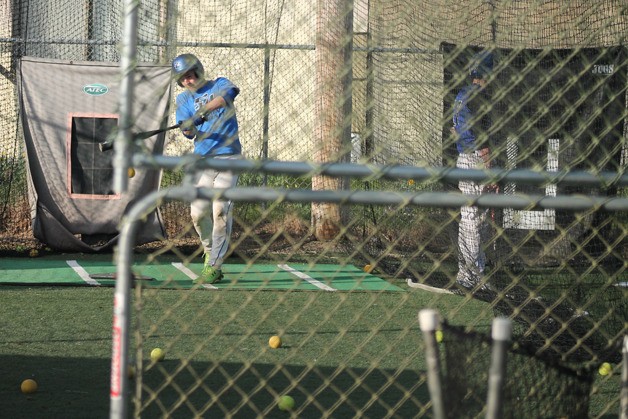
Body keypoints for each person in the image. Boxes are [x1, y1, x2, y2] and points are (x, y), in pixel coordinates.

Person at [172, 53, 243, 284]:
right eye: (184, 79)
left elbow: (229, 95)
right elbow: (189, 133)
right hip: (202, 160)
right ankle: (209, 251)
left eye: (191, 75)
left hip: (229, 158)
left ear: (199, 71)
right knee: (198, 213)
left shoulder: (219, 84)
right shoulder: (183, 101)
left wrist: (201, 113)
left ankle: (215, 265)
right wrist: (188, 127)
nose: (189, 81)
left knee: (220, 212)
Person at [451, 50, 495, 290]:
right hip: (475, 159)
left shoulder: (461, 94)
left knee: (471, 217)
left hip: (463, 158)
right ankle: (474, 274)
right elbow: (475, 130)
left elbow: (454, 130)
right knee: (473, 219)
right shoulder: (478, 96)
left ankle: (468, 272)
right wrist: (486, 158)